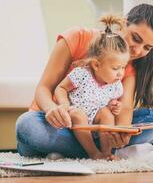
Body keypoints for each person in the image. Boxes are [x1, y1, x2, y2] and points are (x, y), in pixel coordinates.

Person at [16, 3, 153, 159]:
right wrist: (52, 109)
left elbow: (125, 107)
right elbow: (43, 88)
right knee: (27, 126)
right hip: (59, 124)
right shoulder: (78, 37)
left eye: (147, 48)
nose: (137, 51)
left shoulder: (128, 65)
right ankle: (99, 152)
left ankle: (83, 151)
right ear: (124, 23)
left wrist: (122, 132)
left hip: (97, 128)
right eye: (136, 38)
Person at [54, 15, 129, 159]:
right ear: (96, 65)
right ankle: (93, 153)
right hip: (74, 119)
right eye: (115, 68)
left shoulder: (115, 85)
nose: (120, 73)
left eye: (123, 67)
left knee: (107, 113)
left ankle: (107, 153)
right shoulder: (82, 74)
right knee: (78, 114)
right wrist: (64, 105)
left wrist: (114, 105)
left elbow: (109, 103)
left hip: (95, 121)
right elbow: (60, 88)